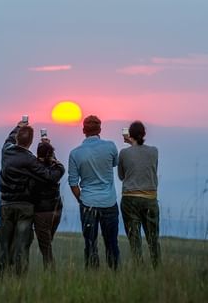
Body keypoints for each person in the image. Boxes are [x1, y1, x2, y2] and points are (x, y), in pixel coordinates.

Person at [0, 120, 64, 279]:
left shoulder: (6, 150)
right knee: (22, 244)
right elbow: (50, 177)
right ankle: (19, 278)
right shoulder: (31, 160)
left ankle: (1, 276)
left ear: (17, 138)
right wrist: (54, 158)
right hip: (25, 207)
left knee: (5, 243)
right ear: (31, 142)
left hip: (5, 204)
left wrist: (18, 126)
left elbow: (9, 138)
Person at [68, 115, 120, 270]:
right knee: (112, 243)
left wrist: (81, 199)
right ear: (100, 130)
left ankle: (92, 275)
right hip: (109, 202)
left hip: (88, 202)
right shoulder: (111, 146)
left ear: (83, 130)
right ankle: (115, 274)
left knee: (90, 244)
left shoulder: (75, 153)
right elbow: (115, 163)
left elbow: (73, 183)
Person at [118, 120, 161, 268]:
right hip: (150, 198)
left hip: (130, 198)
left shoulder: (124, 153)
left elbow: (121, 176)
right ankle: (157, 267)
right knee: (153, 238)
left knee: (134, 238)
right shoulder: (154, 151)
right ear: (144, 134)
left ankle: (139, 268)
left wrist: (131, 146)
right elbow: (148, 168)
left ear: (129, 135)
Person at [32, 141, 65, 270]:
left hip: (41, 211)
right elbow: (54, 162)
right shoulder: (58, 169)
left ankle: (50, 273)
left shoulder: (33, 169)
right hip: (56, 210)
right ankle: (49, 271)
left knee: (45, 247)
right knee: (47, 242)